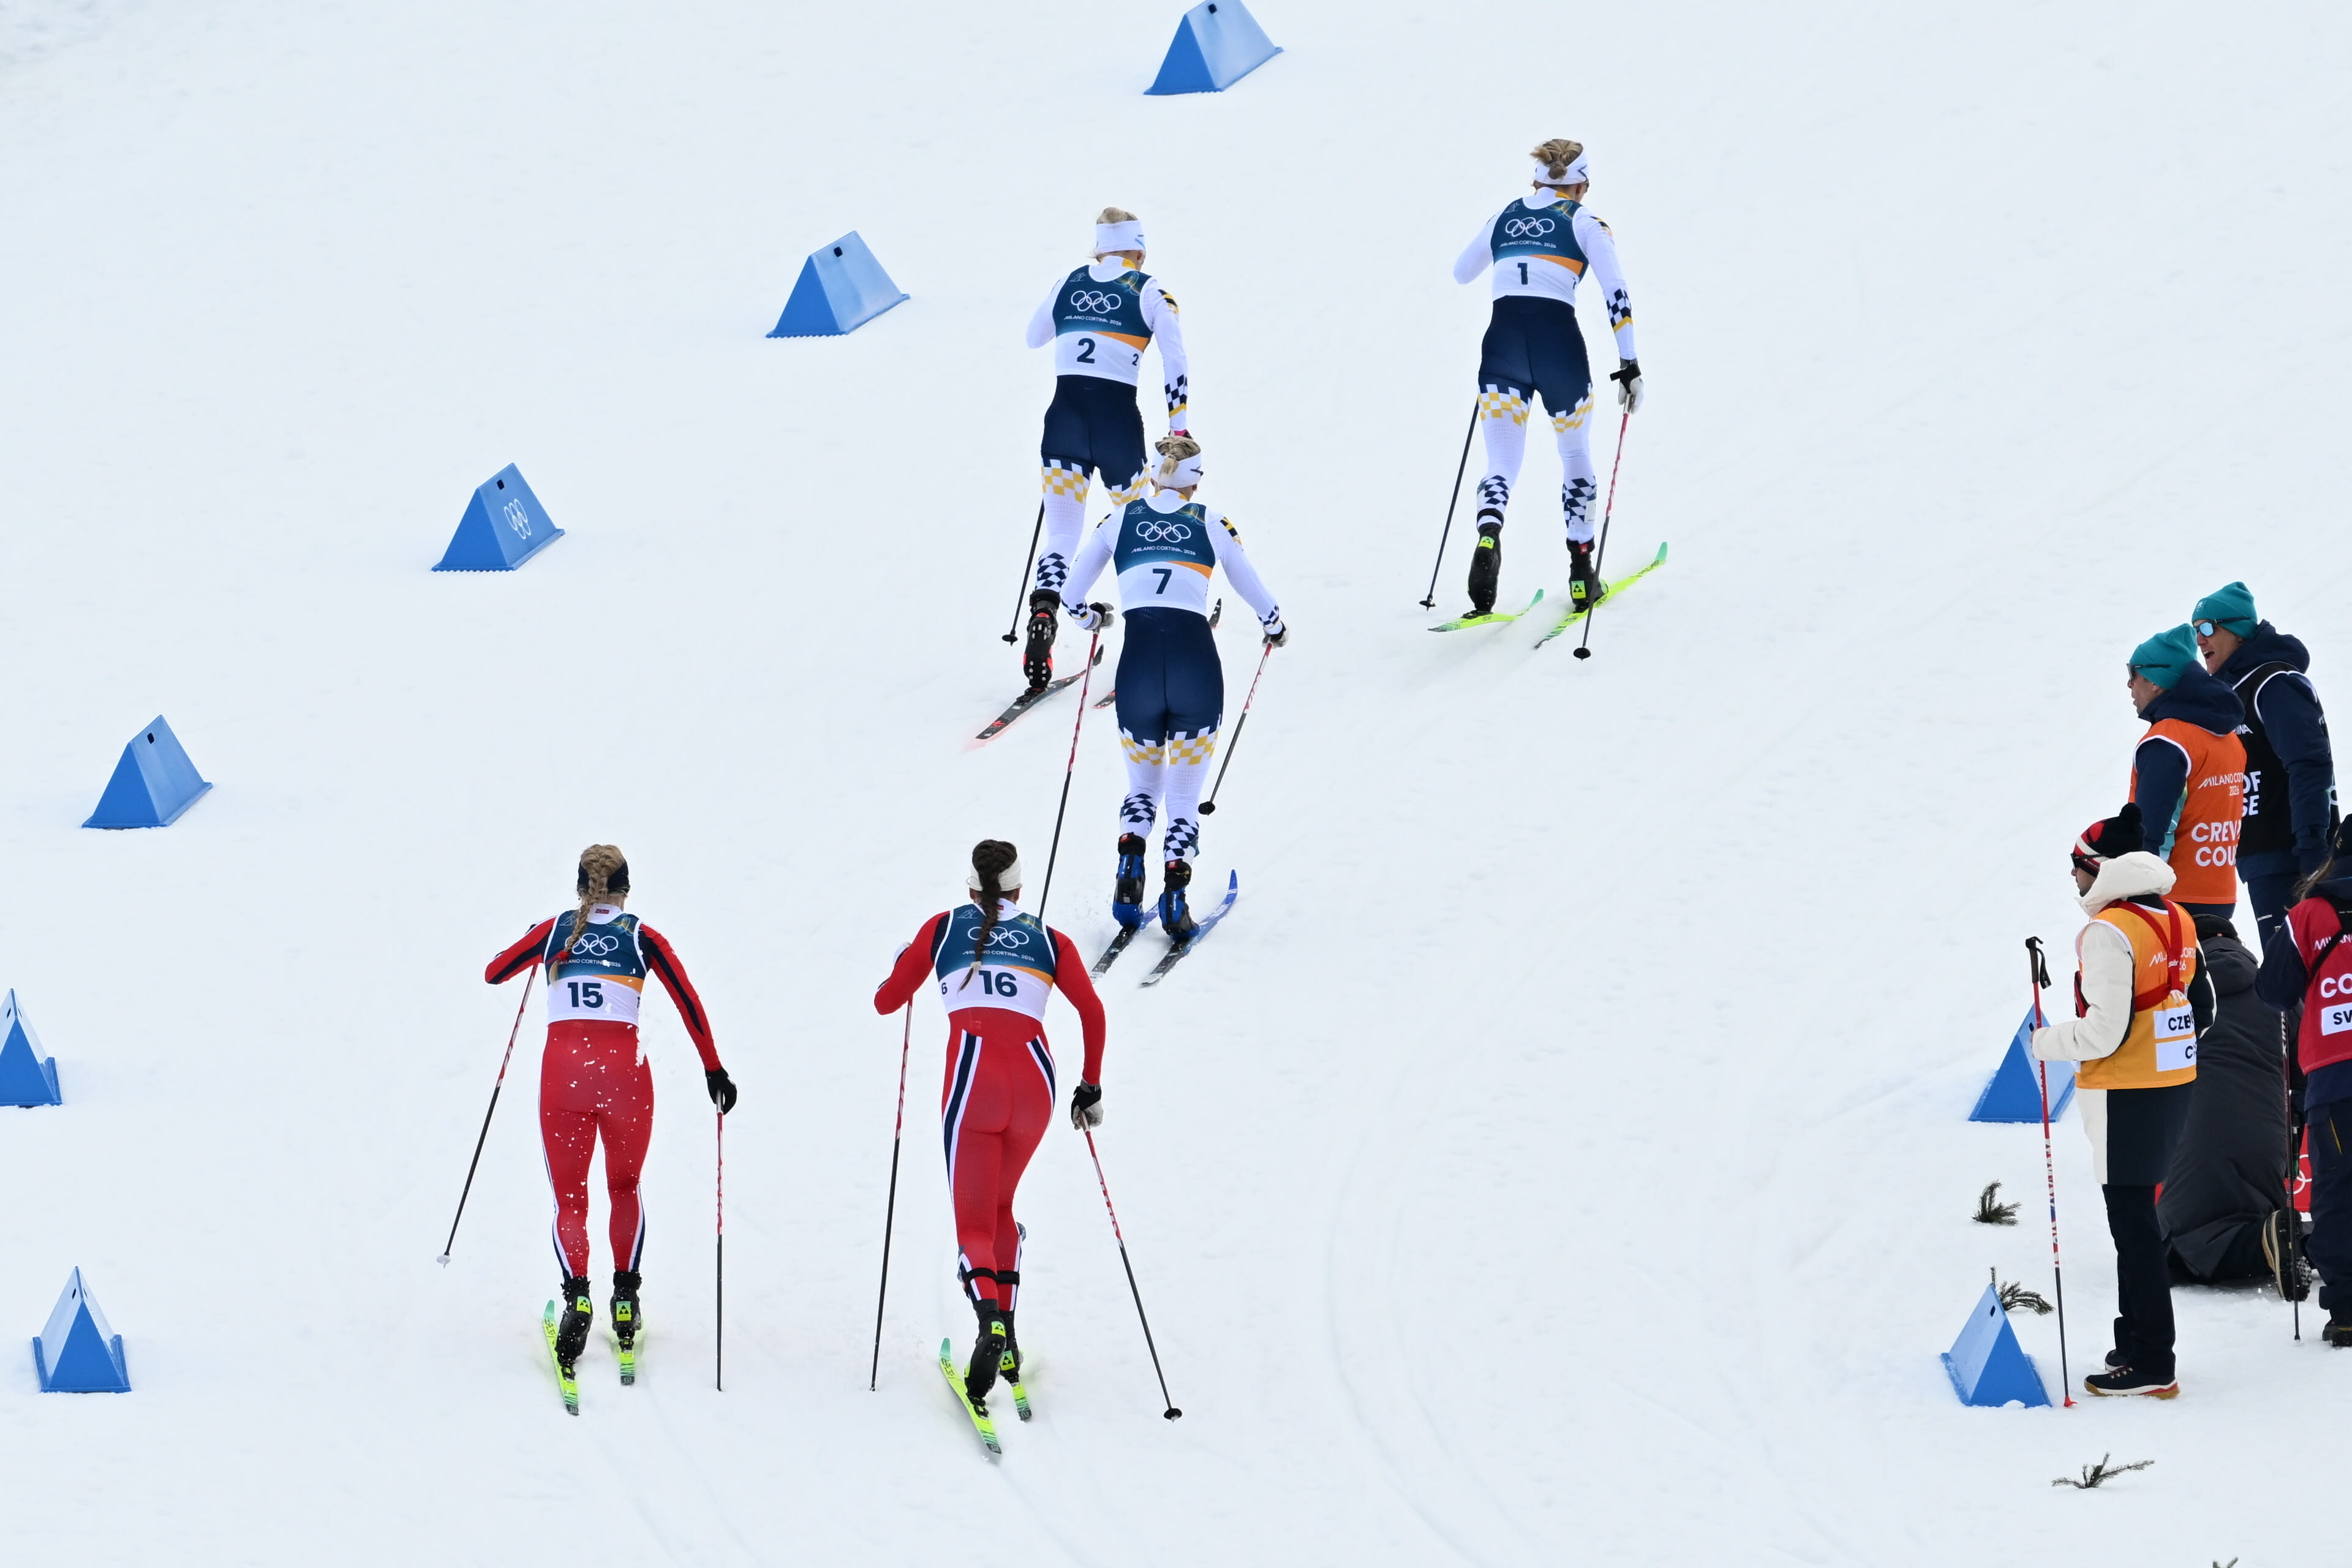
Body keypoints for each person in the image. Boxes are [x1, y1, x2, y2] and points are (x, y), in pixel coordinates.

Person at [872, 840, 1109, 1411]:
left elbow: (887, 1002)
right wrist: (1090, 1086)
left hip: (975, 1081)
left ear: (971, 888)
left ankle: (990, 1325)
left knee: (974, 1221)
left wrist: (905, 962)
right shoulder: (1049, 938)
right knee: (1003, 1207)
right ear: (1020, 889)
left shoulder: (943, 927)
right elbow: (1092, 1011)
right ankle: (1009, 1336)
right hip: (1036, 1084)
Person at [484, 845, 737, 1379]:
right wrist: (714, 1070)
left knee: (571, 1199)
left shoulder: (555, 931)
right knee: (625, 1187)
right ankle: (626, 1299)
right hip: (626, 1079)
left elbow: (495, 972)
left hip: (564, 1079)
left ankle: (577, 1298)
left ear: (581, 888)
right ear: (626, 889)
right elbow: (690, 1003)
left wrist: (535, 939)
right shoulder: (643, 936)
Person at [1058, 434, 1286, 936]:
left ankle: (1129, 866)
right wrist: (1274, 625)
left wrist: (1092, 618)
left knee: (1143, 787)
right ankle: (1175, 897)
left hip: (1137, 670)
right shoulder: (1211, 522)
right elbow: (1249, 583)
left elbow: (1071, 596)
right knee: (1183, 797)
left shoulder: (1119, 519)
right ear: (1194, 482)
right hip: (1195, 669)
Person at [2032, 803, 2212, 1396]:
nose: (2074, 878)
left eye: (2078, 867)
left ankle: (2153, 1360)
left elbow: (2104, 1032)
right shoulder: (2177, 917)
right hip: (2171, 1083)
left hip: (2125, 1088)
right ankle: (2133, 1340)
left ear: (2101, 867)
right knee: (2137, 1217)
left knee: (2132, 1224)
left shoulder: (2108, 931)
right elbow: (2203, 1007)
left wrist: (2044, 1042)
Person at [1450, 137, 1640, 617]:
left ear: (1536, 181)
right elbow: (1616, 291)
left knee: (1501, 460)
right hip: (1559, 349)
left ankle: (1489, 530)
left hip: (1502, 347)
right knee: (1574, 452)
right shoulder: (1587, 222)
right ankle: (1581, 572)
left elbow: (1462, 272)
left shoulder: (1505, 215)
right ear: (1583, 186)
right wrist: (1629, 362)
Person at [1019, 208, 1191, 691]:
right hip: (1117, 427)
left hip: (1063, 424)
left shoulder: (1069, 281)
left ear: (1099, 248)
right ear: (1139, 250)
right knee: (1140, 533)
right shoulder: (1151, 291)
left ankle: (1045, 609)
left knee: (1061, 533)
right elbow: (1175, 359)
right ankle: (1153, 639)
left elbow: (1033, 338)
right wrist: (1179, 430)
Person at [2192, 581, 2337, 951]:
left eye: (2208, 628)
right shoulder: (2233, 695)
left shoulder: (2273, 683)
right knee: (2287, 973)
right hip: (2261, 859)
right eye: (2195, 631)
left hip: (2295, 857)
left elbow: (2310, 764)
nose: (2200, 640)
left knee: (2309, 970)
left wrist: (2312, 848)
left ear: (2239, 631)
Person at [2255, 818, 2352, 1346]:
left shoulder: (2311, 914)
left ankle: (2349, 1311)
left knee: (2339, 1190)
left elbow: (2273, 990)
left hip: (2336, 1074)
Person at [2158, 914, 2287, 1285]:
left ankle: (2269, 1240)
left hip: (2197, 1132)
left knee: (2179, 1250)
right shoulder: (2277, 993)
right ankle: (2311, 1240)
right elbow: (2303, 1073)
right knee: (2249, 1216)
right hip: (2270, 1139)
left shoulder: (2174, 995)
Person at [2125, 624, 2247, 922]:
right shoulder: (2227, 738)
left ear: (2155, 681)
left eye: (2133, 673)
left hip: (2171, 899)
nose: (2129, 685)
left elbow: (2152, 828)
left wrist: (2138, 893)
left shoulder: (2167, 741)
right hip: (2220, 894)